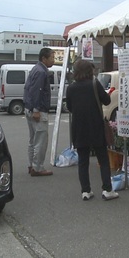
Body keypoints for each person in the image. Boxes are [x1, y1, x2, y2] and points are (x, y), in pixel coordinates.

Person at [66, 60, 119, 201]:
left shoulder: (71, 88)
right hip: (96, 126)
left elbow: (70, 108)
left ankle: (86, 191)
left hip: (79, 128)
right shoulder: (95, 85)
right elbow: (107, 101)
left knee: (83, 161)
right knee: (103, 159)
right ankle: (107, 189)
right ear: (89, 71)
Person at [23, 47, 55, 176]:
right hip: (38, 110)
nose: (53, 60)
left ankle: (32, 165)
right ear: (44, 58)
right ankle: (38, 167)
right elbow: (38, 90)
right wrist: (36, 109)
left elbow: (28, 89)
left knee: (33, 140)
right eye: (52, 57)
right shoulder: (42, 72)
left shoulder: (35, 69)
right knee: (40, 140)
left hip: (29, 108)